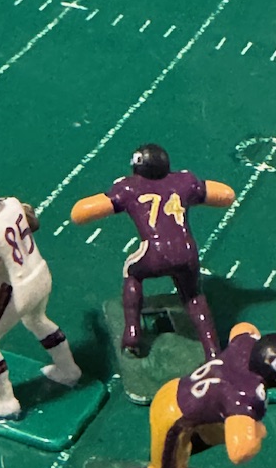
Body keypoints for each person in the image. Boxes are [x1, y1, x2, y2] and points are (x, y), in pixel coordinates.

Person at [67, 322, 276, 468]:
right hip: (174, 418)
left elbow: (243, 328)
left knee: (215, 433)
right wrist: (255, 432)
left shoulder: (246, 345)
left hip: (176, 390)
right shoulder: (246, 395)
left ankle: (174, 459)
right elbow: (240, 452)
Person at [71, 144, 235, 359]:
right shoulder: (184, 181)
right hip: (187, 251)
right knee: (194, 296)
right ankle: (213, 351)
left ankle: (132, 333)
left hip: (154, 253)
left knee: (132, 272)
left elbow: (80, 212)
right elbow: (226, 194)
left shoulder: (128, 187)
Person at [0, 174, 81, 419]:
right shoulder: (12, 203)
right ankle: (68, 369)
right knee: (37, 320)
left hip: (14, 288)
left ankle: (5, 402)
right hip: (39, 273)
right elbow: (33, 223)